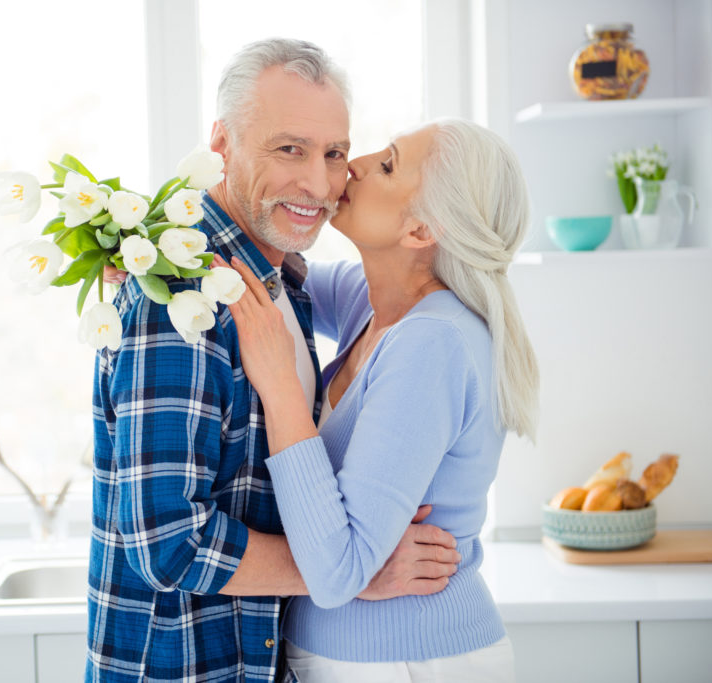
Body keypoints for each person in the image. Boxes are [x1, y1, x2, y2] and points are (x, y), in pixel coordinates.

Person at [87, 39, 461, 683]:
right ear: (221, 145)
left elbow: (409, 276)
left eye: (335, 153)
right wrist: (350, 571)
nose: (318, 184)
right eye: (289, 148)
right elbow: (168, 542)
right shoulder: (182, 297)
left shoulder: (276, 281)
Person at [223, 118, 540, 682]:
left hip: (412, 663)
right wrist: (154, 249)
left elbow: (338, 569)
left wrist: (280, 389)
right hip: (365, 660)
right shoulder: (369, 306)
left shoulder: (431, 343)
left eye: (388, 165)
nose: (356, 164)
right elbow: (257, 269)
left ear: (420, 230)